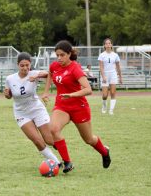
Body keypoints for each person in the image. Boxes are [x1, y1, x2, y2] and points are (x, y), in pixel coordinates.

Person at [42, 40, 111, 173]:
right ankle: (67, 162)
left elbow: (88, 89)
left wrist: (72, 95)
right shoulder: (55, 66)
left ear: (69, 54)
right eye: (57, 55)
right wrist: (45, 91)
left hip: (79, 107)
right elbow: (50, 74)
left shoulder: (75, 68)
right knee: (54, 129)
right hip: (62, 106)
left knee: (89, 139)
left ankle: (104, 151)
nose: (59, 58)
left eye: (62, 55)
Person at [4, 52, 61, 166]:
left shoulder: (34, 73)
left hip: (37, 110)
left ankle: (65, 154)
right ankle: (56, 162)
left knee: (49, 140)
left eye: (27, 65)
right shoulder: (10, 79)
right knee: (37, 141)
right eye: (22, 65)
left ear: (30, 64)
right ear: (17, 65)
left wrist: (37, 76)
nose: (25, 68)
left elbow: (49, 73)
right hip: (21, 113)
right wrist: (7, 94)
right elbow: (9, 96)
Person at [98, 38, 122, 115]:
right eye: (106, 43)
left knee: (113, 92)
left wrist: (120, 77)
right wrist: (103, 76)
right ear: (104, 45)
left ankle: (111, 110)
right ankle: (104, 106)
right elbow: (101, 67)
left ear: (111, 45)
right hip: (105, 74)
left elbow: (118, 67)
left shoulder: (115, 55)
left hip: (113, 74)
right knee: (105, 95)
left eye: (109, 43)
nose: (108, 45)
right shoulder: (102, 55)